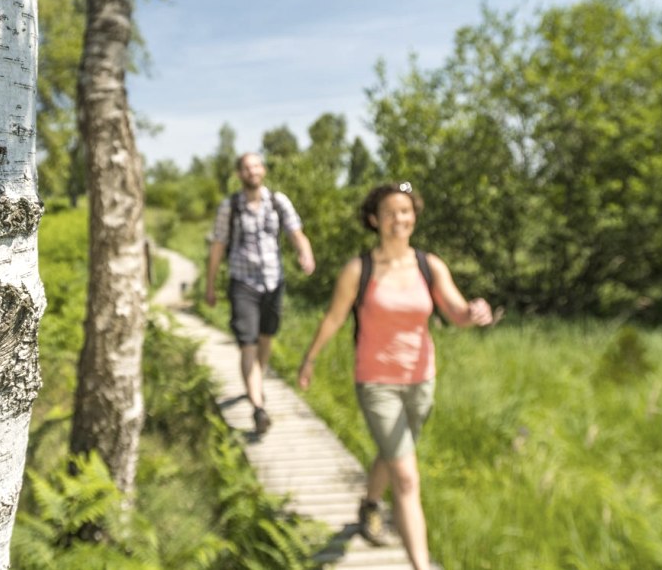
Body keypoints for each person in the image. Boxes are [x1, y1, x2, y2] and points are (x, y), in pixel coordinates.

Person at [297, 182, 496, 570]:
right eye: (389, 212)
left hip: (421, 379)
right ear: (374, 219)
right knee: (406, 476)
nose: (398, 219)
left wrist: (473, 312)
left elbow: (454, 312)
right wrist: (309, 359)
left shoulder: (429, 265)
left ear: (414, 216)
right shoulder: (360, 270)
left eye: (405, 211)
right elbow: (335, 317)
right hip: (376, 381)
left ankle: (369, 504)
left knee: (393, 454)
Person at [205, 152, 316, 435]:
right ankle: (257, 407)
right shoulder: (230, 207)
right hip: (242, 282)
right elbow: (218, 245)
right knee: (248, 344)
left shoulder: (278, 202)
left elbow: (296, 233)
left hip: (273, 282)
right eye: (246, 167)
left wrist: (305, 253)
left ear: (263, 170)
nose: (252, 171)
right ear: (239, 174)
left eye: (256, 165)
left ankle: (256, 382)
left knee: (266, 339)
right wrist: (210, 284)